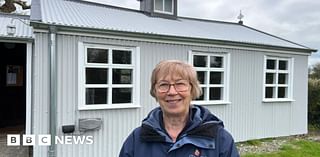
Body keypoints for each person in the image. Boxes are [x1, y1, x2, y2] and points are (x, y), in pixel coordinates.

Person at [119, 60, 239, 157]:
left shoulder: (219, 138)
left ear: (192, 89)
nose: (172, 92)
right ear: (155, 92)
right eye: (163, 85)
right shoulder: (137, 139)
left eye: (180, 84)